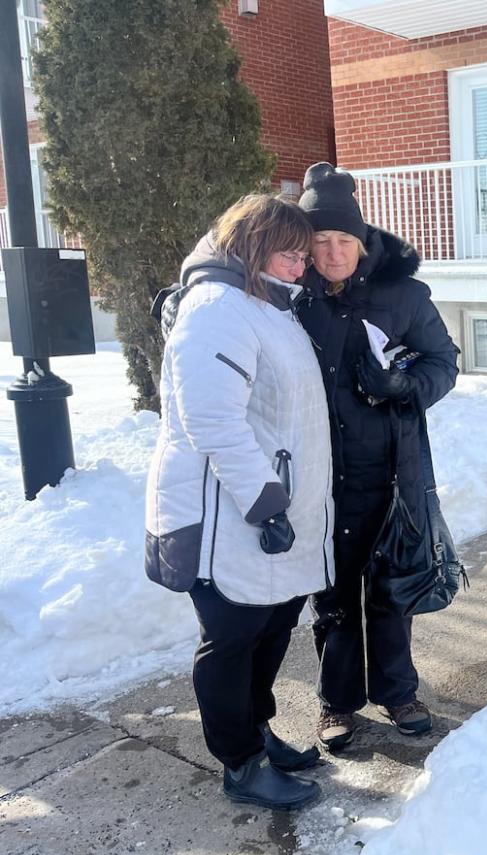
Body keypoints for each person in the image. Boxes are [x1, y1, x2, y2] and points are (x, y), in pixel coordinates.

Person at [145, 194, 334, 810]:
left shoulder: (265, 306)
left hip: (268, 515)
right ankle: (240, 762)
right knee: (232, 639)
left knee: (271, 628)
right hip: (229, 517)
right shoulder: (217, 310)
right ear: (252, 246)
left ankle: (257, 731)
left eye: (305, 256)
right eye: (291, 253)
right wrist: (265, 504)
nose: (302, 266)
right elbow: (215, 422)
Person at [296, 163, 459, 751]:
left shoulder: (403, 296)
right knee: (333, 595)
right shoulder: (291, 298)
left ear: (363, 242)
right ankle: (336, 702)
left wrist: (403, 386)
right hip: (320, 478)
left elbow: (444, 362)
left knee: (391, 587)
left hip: (392, 473)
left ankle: (397, 692)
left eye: (344, 240)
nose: (333, 253)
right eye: (320, 242)